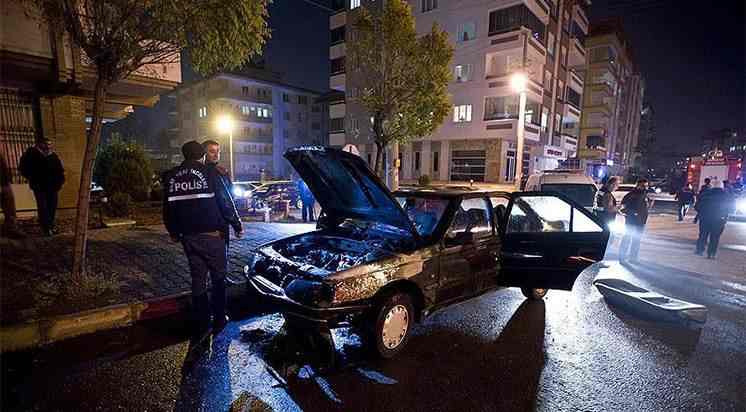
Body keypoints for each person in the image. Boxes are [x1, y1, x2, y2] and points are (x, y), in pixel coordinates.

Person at [163, 141, 243, 346]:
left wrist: (173, 231)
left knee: (198, 279)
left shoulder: (172, 176)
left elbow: (168, 208)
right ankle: (218, 318)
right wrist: (237, 224)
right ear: (201, 156)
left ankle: (201, 321)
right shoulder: (211, 174)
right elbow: (225, 202)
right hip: (212, 236)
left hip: (188, 237)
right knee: (218, 278)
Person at [18, 138, 65, 236]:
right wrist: (33, 178)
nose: (49, 146)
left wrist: (60, 182)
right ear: (40, 144)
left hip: (53, 186)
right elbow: (23, 168)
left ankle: (51, 225)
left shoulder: (53, 156)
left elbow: (60, 170)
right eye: (46, 144)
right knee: (43, 207)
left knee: (52, 206)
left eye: (50, 144)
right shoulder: (31, 155)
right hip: (40, 187)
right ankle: (46, 228)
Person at [619, 179, 652, 263]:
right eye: (643, 186)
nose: (645, 187)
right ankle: (622, 258)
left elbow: (645, 208)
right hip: (631, 222)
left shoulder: (645, 195)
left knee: (636, 240)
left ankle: (633, 258)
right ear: (637, 185)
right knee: (627, 239)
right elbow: (623, 208)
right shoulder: (630, 195)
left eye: (646, 186)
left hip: (641, 222)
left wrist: (649, 206)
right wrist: (632, 213)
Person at [694, 181, 731, 258]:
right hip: (719, 219)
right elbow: (731, 208)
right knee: (715, 237)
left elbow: (697, 207)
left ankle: (699, 250)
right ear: (722, 187)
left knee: (703, 235)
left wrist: (702, 212)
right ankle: (711, 253)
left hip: (705, 218)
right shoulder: (727, 196)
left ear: (712, 186)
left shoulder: (705, 194)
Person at [0, 152, 26, 238]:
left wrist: (7, 180)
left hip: (4, 183)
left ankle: (12, 228)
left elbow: (3, 167)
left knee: (10, 207)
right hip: (3, 183)